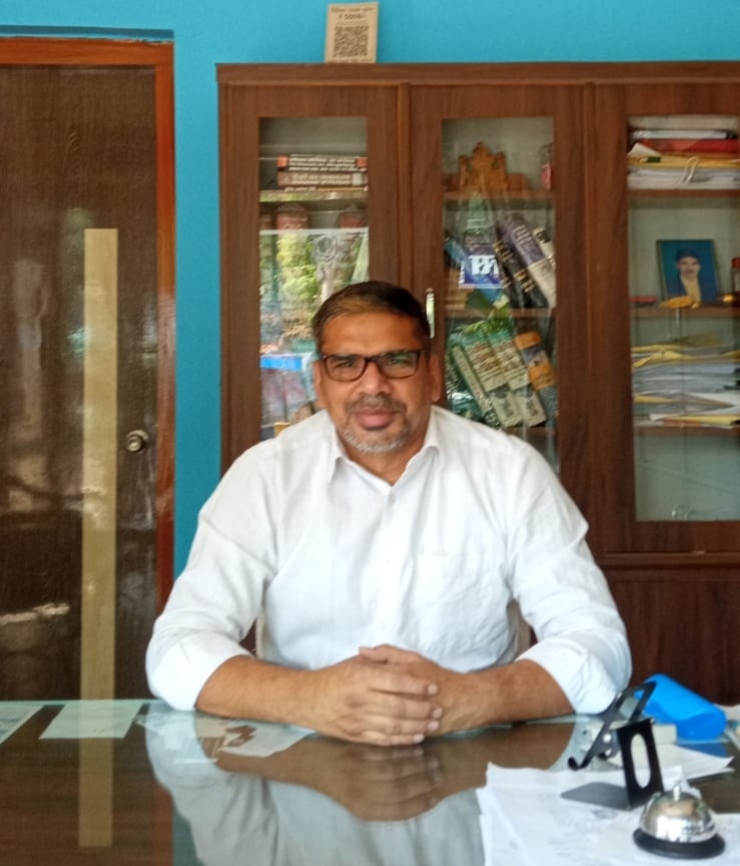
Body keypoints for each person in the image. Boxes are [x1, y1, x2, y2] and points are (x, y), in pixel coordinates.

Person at [146, 280, 631, 746]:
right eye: (346, 364)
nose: (372, 385)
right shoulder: (265, 477)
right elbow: (178, 647)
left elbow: (598, 645)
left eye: (397, 361)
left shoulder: (510, 472)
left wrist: (467, 699)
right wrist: (308, 698)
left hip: (474, 763)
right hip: (304, 758)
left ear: (433, 376)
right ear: (319, 382)